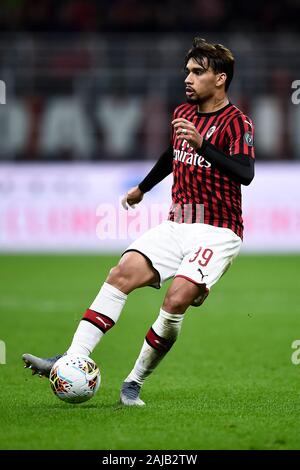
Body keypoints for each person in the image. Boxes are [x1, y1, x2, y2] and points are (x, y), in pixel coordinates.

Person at [23, 37, 255, 406]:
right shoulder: (183, 113)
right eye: (187, 71)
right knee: (120, 274)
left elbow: (246, 173)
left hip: (218, 230)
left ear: (220, 78)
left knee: (176, 299)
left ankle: (134, 381)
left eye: (197, 72)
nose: (188, 78)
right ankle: (72, 357)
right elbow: (171, 155)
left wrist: (204, 148)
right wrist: (143, 188)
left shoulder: (236, 122)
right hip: (176, 222)